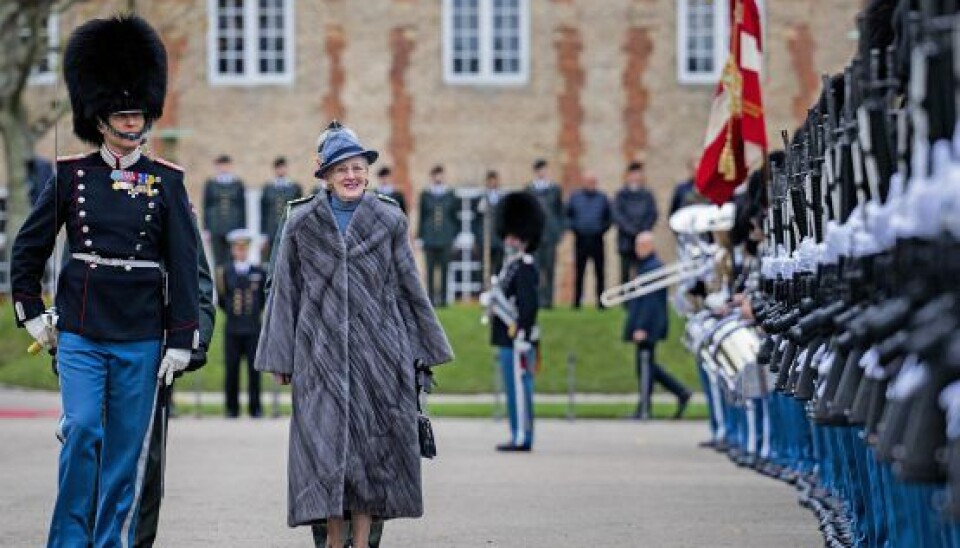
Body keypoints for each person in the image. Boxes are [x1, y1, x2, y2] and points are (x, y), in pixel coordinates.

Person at [10, 15, 199, 546]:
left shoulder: (167, 181)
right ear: (100, 118)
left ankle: (107, 539)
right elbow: (29, 247)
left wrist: (182, 338)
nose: (131, 122)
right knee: (83, 430)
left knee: (124, 447)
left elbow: (184, 263)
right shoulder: (71, 175)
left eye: (137, 112)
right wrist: (30, 310)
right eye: (121, 114)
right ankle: (68, 541)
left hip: (141, 333)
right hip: (82, 329)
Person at [255, 121, 453, 548]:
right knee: (322, 452)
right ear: (325, 175)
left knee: (371, 450)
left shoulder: (388, 219)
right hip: (318, 353)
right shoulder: (302, 221)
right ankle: (331, 538)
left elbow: (408, 286)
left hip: (380, 354)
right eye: (342, 168)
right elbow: (286, 290)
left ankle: (363, 541)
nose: (351, 176)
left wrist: (424, 351)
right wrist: (281, 358)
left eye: (358, 167)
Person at [135, 212, 216, 547]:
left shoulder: (167, 195)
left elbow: (198, 286)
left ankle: (138, 541)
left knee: (148, 460)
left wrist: (193, 343)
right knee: (89, 448)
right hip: (93, 346)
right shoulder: (87, 187)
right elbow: (72, 277)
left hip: (153, 350)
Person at [488, 191, 544, 451]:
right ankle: (517, 432)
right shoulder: (510, 266)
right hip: (507, 336)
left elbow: (529, 304)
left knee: (521, 391)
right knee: (514, 390)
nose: (509, 240)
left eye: (513, 236)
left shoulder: (525, 266)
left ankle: (522, 436)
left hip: (518, 337)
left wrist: (523, 331)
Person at [623, 232, 691, 420]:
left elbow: (650, 303)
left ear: (649, 246)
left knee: (646, 367)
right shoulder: (646, 266)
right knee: (647, 367)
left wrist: (642, 327)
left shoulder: (653, 268)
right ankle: (678, 393)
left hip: (648, 327)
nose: (637, 249)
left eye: (640, 245)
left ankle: (646, 407)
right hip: (646, 325)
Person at [217, 229, 265, 418]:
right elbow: (222, 300)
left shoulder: (258, 271)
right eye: (237, 248)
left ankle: (255, 408)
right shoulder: (225, 272)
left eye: (244, 248)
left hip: (253, 327)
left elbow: (261, 299)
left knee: (255, 371)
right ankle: (232, 408)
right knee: (232, 369)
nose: (241, 252)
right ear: (233, 250)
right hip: (233, 328)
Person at [565, 171, 611, 309]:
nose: (590, 184)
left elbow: (608, 218)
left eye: (593, 182)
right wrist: (576, 228)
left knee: (600, 272)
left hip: (597, 239)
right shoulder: (575, 197)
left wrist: (601, 230)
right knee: (579, 271)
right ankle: (577, 302)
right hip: (581, 239)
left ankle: (601, 302)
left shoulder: (602, 198)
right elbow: (568, 216)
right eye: (588, 181)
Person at [417, 164, 458, 306]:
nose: (438, 177)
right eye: (436, 175)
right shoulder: (425, 194)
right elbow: (422, 216)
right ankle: (431, 299)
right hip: (429, 238)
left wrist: (455, 236)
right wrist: (420, 237)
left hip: (446, 238)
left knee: (445, 269)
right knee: (430, 270)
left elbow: (455, 217)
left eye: (440, 174)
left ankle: (444, 300)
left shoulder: (450, 194)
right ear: (432, 177)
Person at [613, 161, 658, 285]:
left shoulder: (647, 195)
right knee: (626, 273)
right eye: (633, 175)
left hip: (644, 241)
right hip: (626, 240)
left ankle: (642, 301)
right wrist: (633, 231)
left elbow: (652, 214)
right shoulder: (621, 195)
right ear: (628, 176)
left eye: (639, 175)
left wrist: (643, 231)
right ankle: (626, 302)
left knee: (643, 271)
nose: (636, 178)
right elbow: (618, 215)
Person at [526, 159, 564, 308]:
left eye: (544, 169)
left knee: (549, 269)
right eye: (539, 170)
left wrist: (559, 231)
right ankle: (536, 299)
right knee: (534, 269)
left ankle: (548, 300)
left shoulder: (554, 190)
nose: (542, 173)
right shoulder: (529, 190)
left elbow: (560, 212)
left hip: (550, 235)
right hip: (534, 236)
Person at [203, 154, 246, 268]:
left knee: (232, 258)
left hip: (233, 226)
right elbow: (206, 206)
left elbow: (243, 208)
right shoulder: (210, 184)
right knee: (218, 260)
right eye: (220, 165)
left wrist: (243, 229)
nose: (223, 168)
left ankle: (230, 285)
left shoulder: (238, 184)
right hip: (215, 227)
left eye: (225, 165)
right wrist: (206, 228)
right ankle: (219, 284)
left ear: (229, 166)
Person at [260, 156, 303, 260]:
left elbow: (300, 210)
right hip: (271, 231)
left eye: (283, 167)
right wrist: (262, 234)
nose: (281, 170)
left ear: (286, 168)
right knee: (271, 259)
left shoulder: (295, 187)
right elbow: (263, 212)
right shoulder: (267, 188)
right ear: (275, 170)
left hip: (289, 229)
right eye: (278, 168)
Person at [478, 170, 505, 277]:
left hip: (499, 238)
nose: (493, 183)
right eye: (490, 181)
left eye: (494, 180)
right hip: (486, 238)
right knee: (485, 267)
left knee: (499, 266)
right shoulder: (482, 198)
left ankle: (498, 290)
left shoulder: (503, 198)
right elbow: (477, 220)